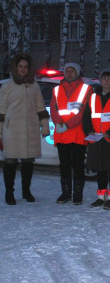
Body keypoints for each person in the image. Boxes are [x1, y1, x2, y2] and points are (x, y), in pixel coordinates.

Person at [0, 53, 49, 205]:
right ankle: (9, 193)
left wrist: (45, 126)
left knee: (28, 162)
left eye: (25, 67)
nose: (23, 69)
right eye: (20, 66)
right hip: (12, 130)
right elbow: (1, 110)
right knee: (10, 163)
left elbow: (41, 107)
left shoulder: (34, 85)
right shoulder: (7, 86)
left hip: (30, 130)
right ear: (15, 68)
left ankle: (26, 191)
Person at [50, 62, 93, 205]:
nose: (69, 73)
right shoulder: (56, 89)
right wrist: (59, 123)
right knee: (64, 164)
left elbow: (85, 111)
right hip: (62, 133)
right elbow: (54, 109)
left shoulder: (87, 89)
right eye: (67, 71)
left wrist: (67, 125)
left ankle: (77, 193)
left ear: (78, 73)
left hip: (78, 133)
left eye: (72, 71)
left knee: (78, 164)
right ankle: (66, 193)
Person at [82, 68, 110, 210]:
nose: (106, 81)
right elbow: (86, 117)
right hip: (96, 139)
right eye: (104, 78)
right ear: (100, 80)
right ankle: (101, 196)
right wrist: (89, 131)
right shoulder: (93, 96)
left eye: (109, 78)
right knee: (100, 170)